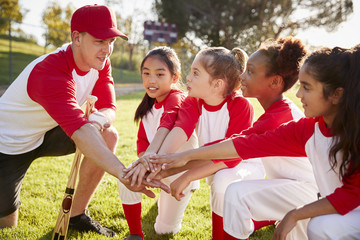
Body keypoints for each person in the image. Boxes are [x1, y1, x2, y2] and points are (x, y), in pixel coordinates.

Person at [151, 45, 360, 239]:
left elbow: (352, 194)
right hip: (303, 191)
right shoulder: (305, 127)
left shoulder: (282, 118)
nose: (241, 75)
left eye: (306, 87)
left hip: (311, 193)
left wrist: (297, 214)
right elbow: (241, 143)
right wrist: (179, 159)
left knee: (319, 226)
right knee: (237, 193)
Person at [0, 4, 167, 237]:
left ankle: (76, 215)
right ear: (77, 38)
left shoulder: (100, 63)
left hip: (47, 133)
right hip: (8, 146)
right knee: (7, 225)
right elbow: (80, 131)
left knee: (108, 134)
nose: (107, 50)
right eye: (100, 41)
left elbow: (109, 107)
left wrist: (99, 120)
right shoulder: (50, 72)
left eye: (111, 42)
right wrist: (124, 174)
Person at [127, 46, 256, 238]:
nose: (188, 77)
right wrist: (153, 164)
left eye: (195, 73)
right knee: (165, 228)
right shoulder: (192, 101)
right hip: (208, 160)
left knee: (222, 184)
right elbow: (180, 131)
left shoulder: (241, 106)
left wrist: (187, 176)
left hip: (243, 163)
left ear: (217, 84)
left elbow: (232, 157)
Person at [117, 46, 199, 240]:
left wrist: (149, 160)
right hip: (155, 167)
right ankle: (135, 234)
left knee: (164, 230)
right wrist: (143, 165)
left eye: (159, 74)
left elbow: (168, 122)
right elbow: (142, 144)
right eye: (146, 74)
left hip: (180, 173)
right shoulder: (147, 107)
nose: (151, 80)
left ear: (174, 77)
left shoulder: (178, 98)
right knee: (126, 176)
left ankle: (167, 202)